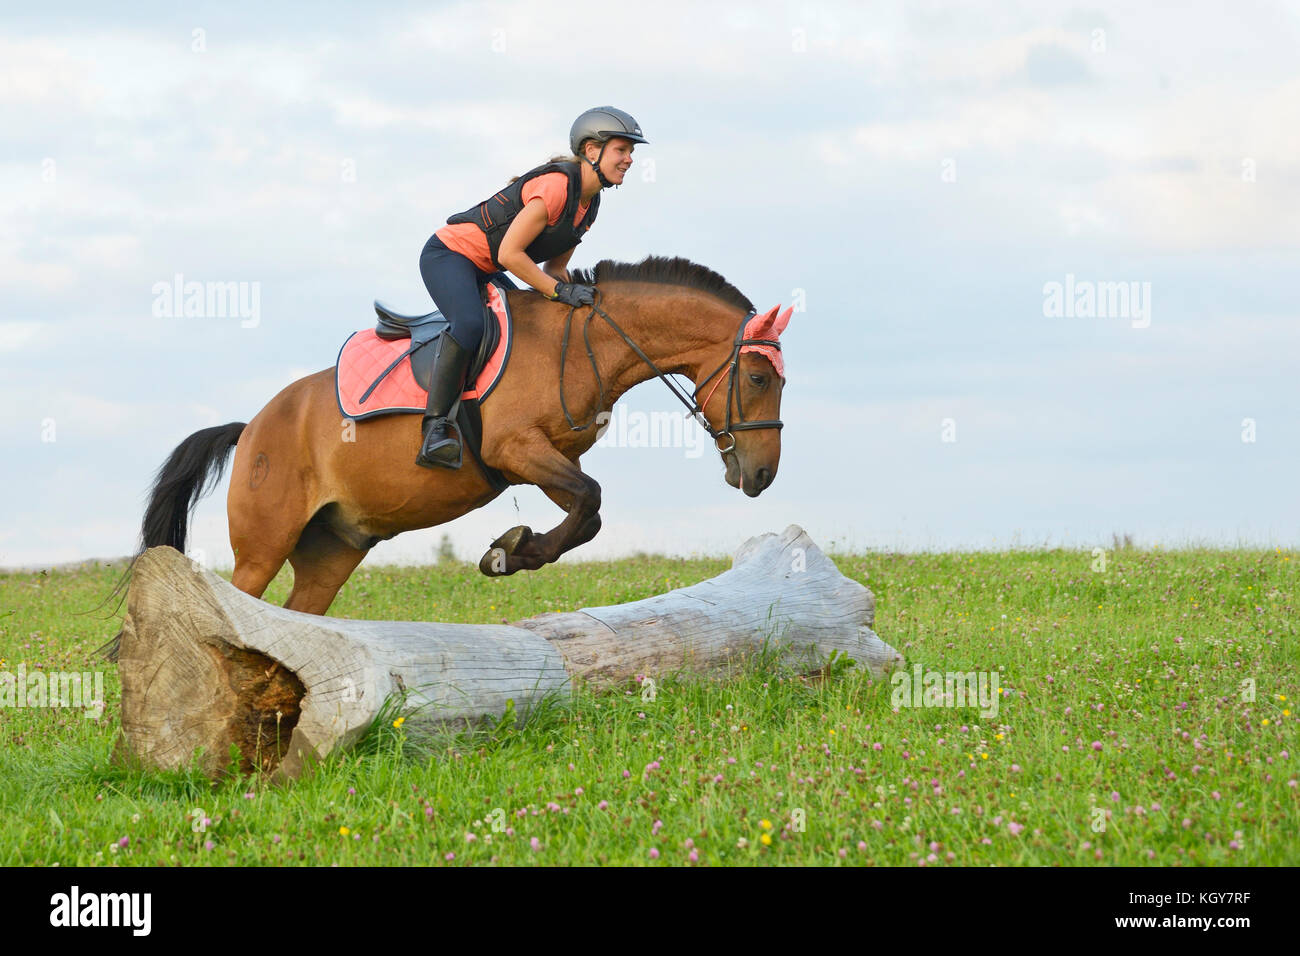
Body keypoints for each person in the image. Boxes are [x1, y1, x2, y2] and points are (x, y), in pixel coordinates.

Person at [414, 106, 648, 469]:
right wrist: (558, 292)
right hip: (450, 256)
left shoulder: (589, 204)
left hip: (485, 268)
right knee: (471, 325)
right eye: (622, 150)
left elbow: (555, 269)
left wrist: (586, 301)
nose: (630, 159)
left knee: (528, 323)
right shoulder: (556, 187)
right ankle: (436, 427)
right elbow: (510, 254)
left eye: (631, 152)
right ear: (591, 150)